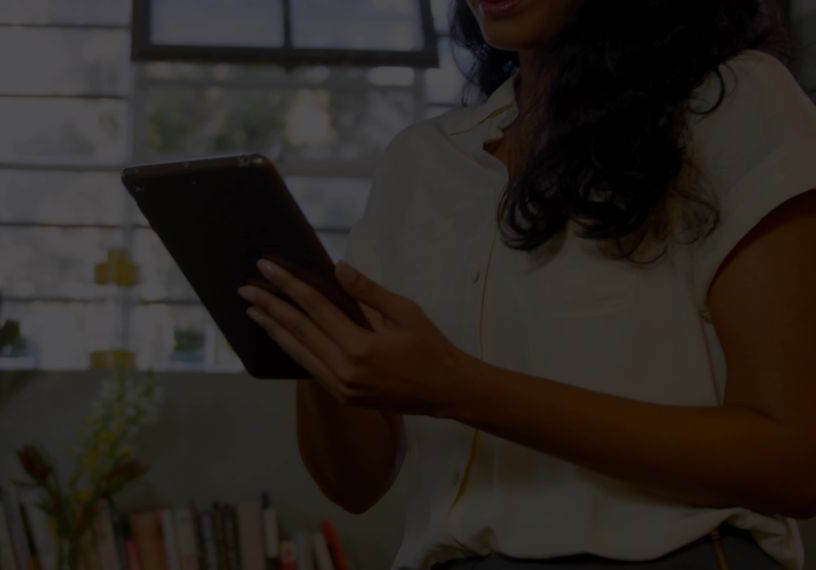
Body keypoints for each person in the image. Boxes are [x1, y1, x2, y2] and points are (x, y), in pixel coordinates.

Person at [236, 0, 816, 568]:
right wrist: (312, 337)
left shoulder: (733, 103)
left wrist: (462, 388)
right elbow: (355, 486)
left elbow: (793, 461)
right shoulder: (419, 160)